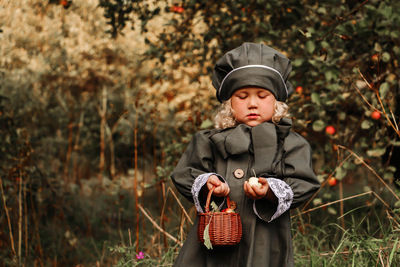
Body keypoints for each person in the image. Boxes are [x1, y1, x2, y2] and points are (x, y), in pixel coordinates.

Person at [171, 42, 320, 267]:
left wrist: (269, 191)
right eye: (242, 96)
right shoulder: (209, 140)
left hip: (265, 240)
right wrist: (210, 184)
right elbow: (186, 174)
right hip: (214, 239)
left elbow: (303, 182)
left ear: (276, 101)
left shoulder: (290, 144)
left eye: (262, 95)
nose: (252, 104)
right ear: (229, 103)